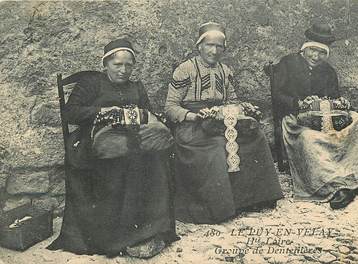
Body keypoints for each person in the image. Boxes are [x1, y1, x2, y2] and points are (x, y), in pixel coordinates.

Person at [48, 39, 177, 258]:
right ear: (106, 63)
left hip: (132, 139)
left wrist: (140, 118)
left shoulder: (136, 86)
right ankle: (118, 237)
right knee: (120, 162)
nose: (123, 70)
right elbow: (71, 112)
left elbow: (147, 112)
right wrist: (103, 112)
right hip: (93, 141)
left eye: (128, 65)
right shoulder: (91, 83)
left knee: (156, 161)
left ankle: (151, 230)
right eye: (117, 64)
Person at [165, 22, 284, 224]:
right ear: (199, 46)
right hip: (192, 125)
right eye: (209, 45)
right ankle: (216, 207)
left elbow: (232, 100)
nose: (214, 50)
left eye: (219, 46)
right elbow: (170, 107)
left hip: (220, 121)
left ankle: (251, 199)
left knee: (254, 137)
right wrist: (194, 116)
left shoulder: (225, 71)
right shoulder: (184, 70)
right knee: (216, 146)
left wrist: (238, 110)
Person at [269, 23, 358, 209]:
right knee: (309, 138)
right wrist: (298, 103)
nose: (316, 56)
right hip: (296, 120)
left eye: (321, 52)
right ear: (305, 48)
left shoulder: (328, 71)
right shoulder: (288, 63)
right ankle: (334, 186)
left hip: (325, 118)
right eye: (312, 51)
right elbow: (277, 95)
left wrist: (338, 104)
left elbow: (334, 97)